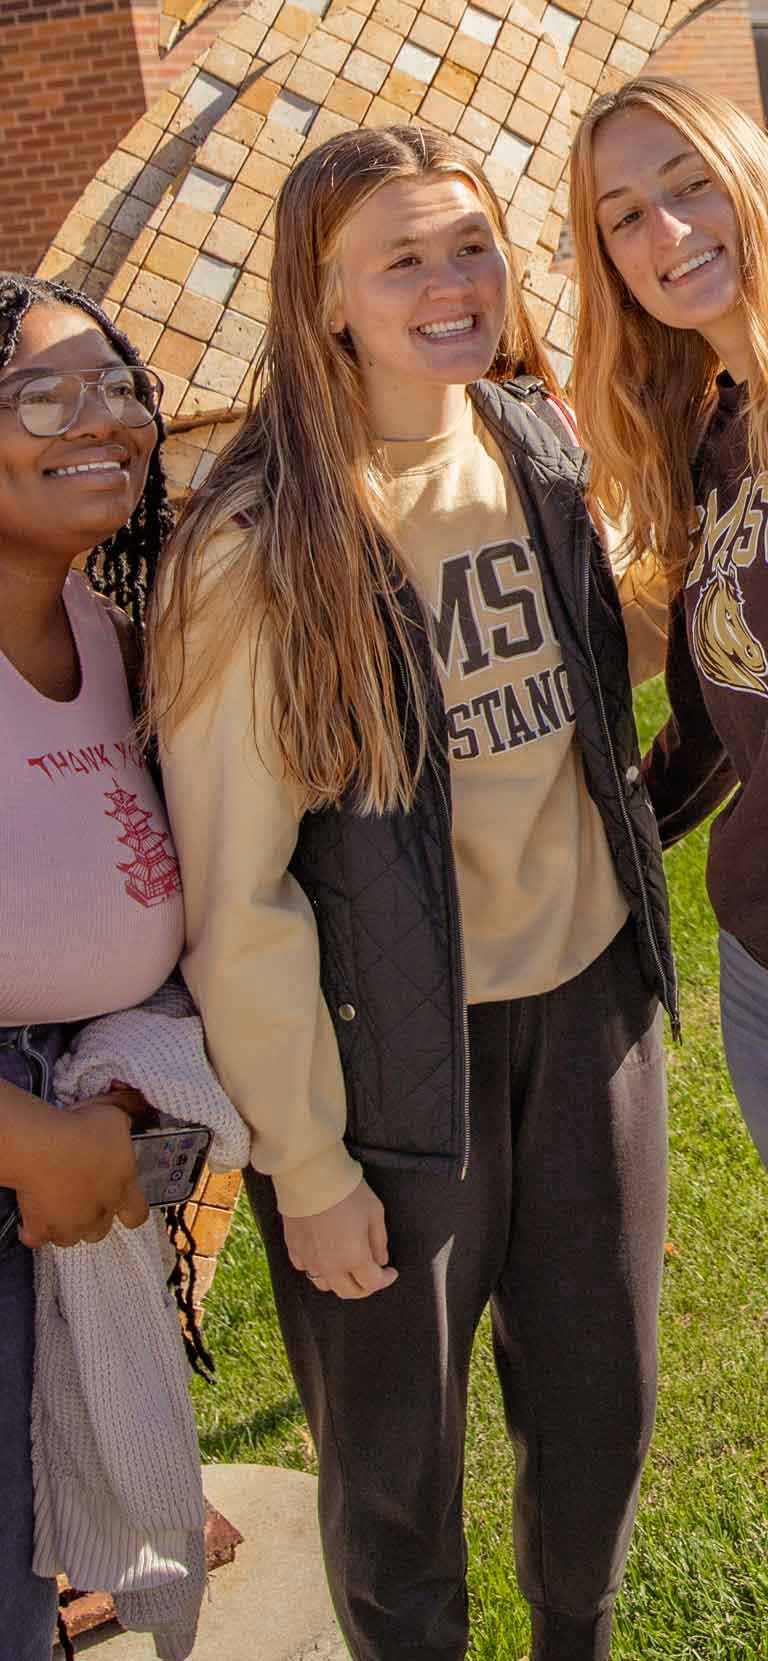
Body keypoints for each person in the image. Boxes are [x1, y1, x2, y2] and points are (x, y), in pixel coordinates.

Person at [151, 126, 675, 1661]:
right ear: (324, 297)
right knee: (396, 1472)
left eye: (470, 245)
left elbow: (599, 685)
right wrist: (308, 1167)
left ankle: (572, 1635)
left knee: (601, 1409)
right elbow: (238, 893)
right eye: (403, 259)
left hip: (589, 1025)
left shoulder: (534, 446)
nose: (451, 284)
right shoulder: (257, 544)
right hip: (390, 1066)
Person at [0, 272, 183, 1660]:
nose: (104, 418)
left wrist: (106, 1116)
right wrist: (26, 1137)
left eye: (120, 384)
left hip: (78, 1154)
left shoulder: (111, 637)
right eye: (47, 390)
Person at [569, 75, 768, 1172]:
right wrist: (597, 847)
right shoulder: (716, 432)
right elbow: (706, 721)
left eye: (691, 185)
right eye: (627, 215)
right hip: (760, 955)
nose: (670, 230)